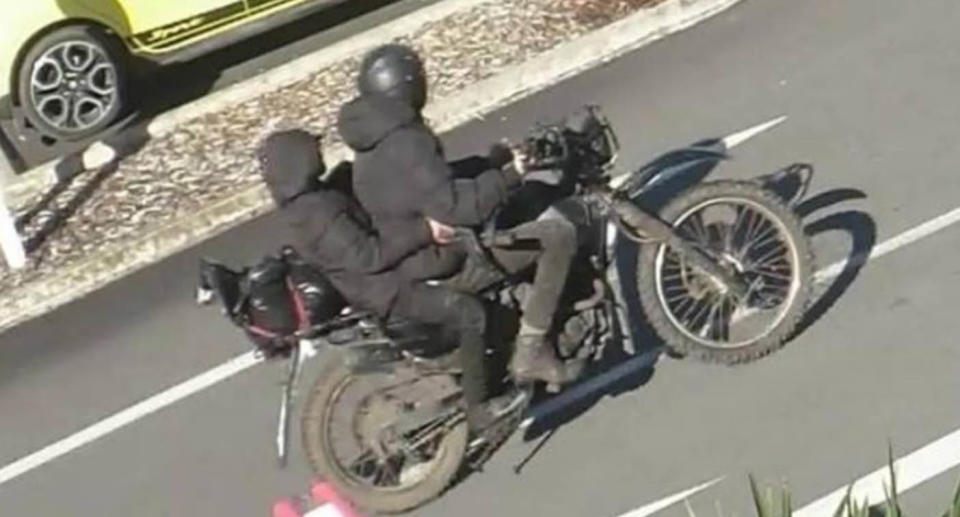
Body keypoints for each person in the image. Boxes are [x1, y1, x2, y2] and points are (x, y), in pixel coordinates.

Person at [337, 43, 584, 387]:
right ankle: (532, 349)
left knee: (516, 208)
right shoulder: (407, 139)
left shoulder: (373, 140)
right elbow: (459, 206)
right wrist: (512, 174)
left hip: (408, 261)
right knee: (559, 236)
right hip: (439, 262)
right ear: (409, 85)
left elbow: (432, 181)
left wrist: (490, 163)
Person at [257, 128, 525, 430]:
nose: (318, 154)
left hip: (383, 279)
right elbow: (368, 255)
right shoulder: (314, 214)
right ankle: (481, 410)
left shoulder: (312, 199)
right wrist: (425, 230)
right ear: (298, 162)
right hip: (387, 292)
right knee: (469, 313)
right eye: (311, 151)